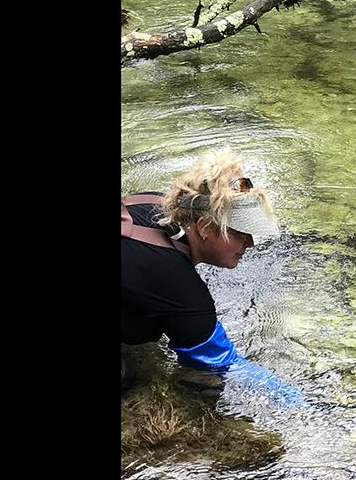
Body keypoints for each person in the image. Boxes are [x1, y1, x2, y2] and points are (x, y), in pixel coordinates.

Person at [121, 149, 306, 406]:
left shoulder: (153, 203)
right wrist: (299, 401)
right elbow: (224, 365)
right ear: (205, 227)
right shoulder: (181, 291)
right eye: (241, 233)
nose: (250, 243)